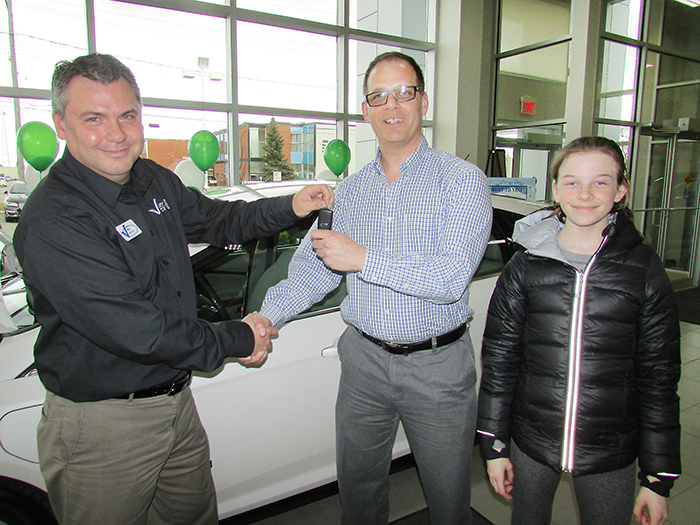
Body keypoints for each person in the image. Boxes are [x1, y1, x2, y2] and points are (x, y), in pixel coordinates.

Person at [13, 53, 333, 525]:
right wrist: (239, 337)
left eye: (127, 115)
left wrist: (291, 205)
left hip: (176, 404)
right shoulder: (55, 220)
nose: (117, 133)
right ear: (61, 124)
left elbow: (223, 219)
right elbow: (139, 331)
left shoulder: (151, 180)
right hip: (104, 427)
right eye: (93, 119)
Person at [260, 51, 492, 524]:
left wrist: (363, 258)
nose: (392, 105)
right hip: (363, 363)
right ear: (365, 110)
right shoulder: (349, 192)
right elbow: (312, 269)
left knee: (448, 499)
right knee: (359, 492)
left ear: (422, 101)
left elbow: (450, 278)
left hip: (437, 367)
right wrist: (264, 317)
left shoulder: (462, 181)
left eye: (404, 92)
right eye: (378, 96)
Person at [477, 136, 681, 525]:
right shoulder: (525, 266)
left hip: (609, 448)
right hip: (531, 440)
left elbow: (659, 377)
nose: (585, 193)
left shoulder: (642, 270)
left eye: (600, 182)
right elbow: (500, 361)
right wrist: (494, 445)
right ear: (555, 188)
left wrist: (657, 478)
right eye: (571, 181)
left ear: (621, 190)